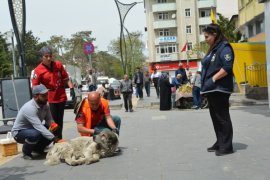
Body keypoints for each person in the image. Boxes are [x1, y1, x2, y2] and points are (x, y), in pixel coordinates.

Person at [201, 23, 234, 156]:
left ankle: (227, 146)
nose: (205, 39)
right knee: (215, 118)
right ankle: (220, 141)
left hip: (220, 89)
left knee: (222, 118)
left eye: (207, 36)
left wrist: (213, 79)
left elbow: (227, 67)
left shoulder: (224, 48)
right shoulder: (214, 49)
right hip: (211, 89)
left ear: (215, 35)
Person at [32, 46, 74, 139]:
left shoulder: (58, 65)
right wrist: (39, 98)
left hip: (61, 96)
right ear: (41, 57)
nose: (49, 58)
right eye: (46, 56)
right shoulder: (38, 70)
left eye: (50, 56)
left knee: (60, 120)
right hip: (49, 98)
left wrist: (71, 88)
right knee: (52, 121)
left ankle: (59, 138)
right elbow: (35, 86)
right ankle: (52, 139)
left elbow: (66, 78)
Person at [11, 84, 58, 160]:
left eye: (46, 95)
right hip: (19, 132)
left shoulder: (45, 105)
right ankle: (26, 152)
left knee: (53, 129)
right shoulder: (29, 108)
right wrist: (54, 138)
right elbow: (38, 126)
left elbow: (49, 119)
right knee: (36, 134)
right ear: (36, 96)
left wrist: (53, 125)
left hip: (34, 129)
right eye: (43, 96)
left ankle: (38, 149)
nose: (46, 98)